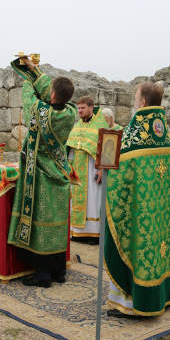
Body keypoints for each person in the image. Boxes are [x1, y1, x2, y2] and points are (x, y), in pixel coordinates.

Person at [105, 82, 170, 317]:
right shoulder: (161, 128)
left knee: (140, 247)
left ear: (142, 103)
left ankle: (132, 303)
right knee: (162, 245)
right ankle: (166, 295)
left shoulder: (136, 130)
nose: (134, 101)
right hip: (161, 206)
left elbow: (119, 169)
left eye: (135, 98)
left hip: (140, 208)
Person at [7, 56, 78, 288]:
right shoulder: (70, 113)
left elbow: (29, 100)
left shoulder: (40, 112)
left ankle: (43, 275)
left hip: (41, 176)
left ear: (53, 96)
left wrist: (28, 76)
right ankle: (59, 272)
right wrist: (35, 68)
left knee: (40, 225)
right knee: (57, 226)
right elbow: (52, 89)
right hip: (60, 173)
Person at [66, 97, 108, 242]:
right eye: (78, 108)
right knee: (76, 200)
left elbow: (106, 148)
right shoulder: (78, 125)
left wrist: (102, 169)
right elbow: (71, 145)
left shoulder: (100, 124)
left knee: (93, 200)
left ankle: (94, 234)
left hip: (92, 168)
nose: (80, 111)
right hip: (77, 167)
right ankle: (77, 232)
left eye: (83, 108)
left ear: (91, 107)